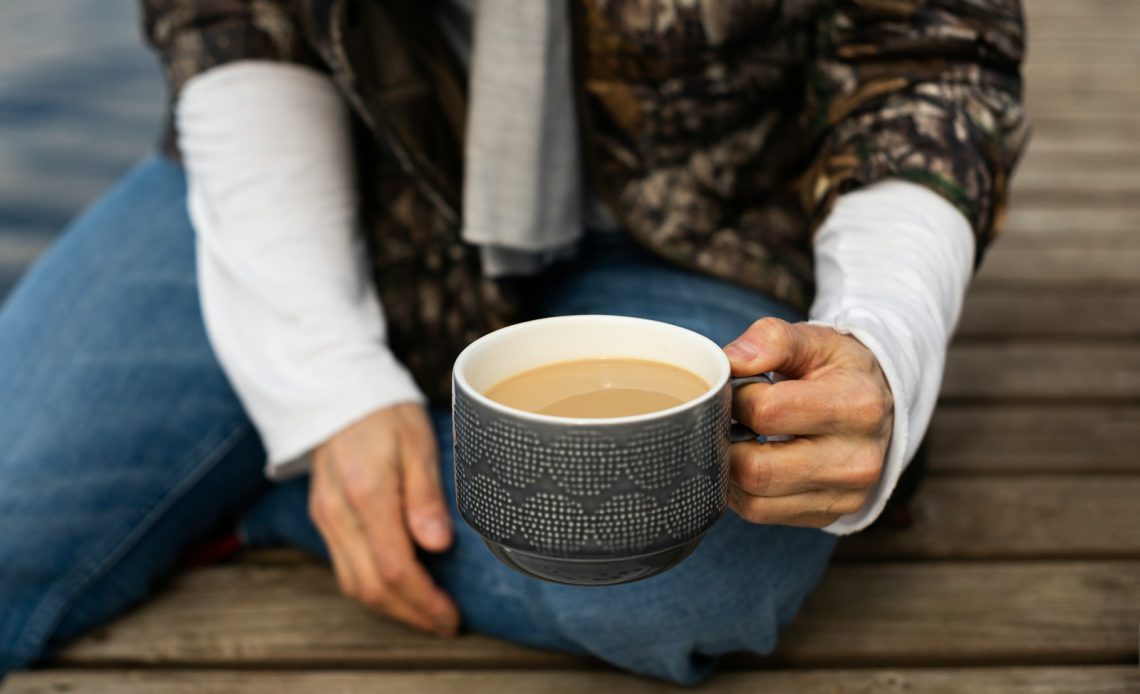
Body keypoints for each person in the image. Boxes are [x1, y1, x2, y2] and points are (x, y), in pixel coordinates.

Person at [0, 0, 1027, 684]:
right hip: (332, 157)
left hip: (707, 207)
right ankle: (332, 465)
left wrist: (881, 338)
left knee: (693, 574)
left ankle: (278, 496)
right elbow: (235, 17)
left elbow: (925, 51)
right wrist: (325, 388)